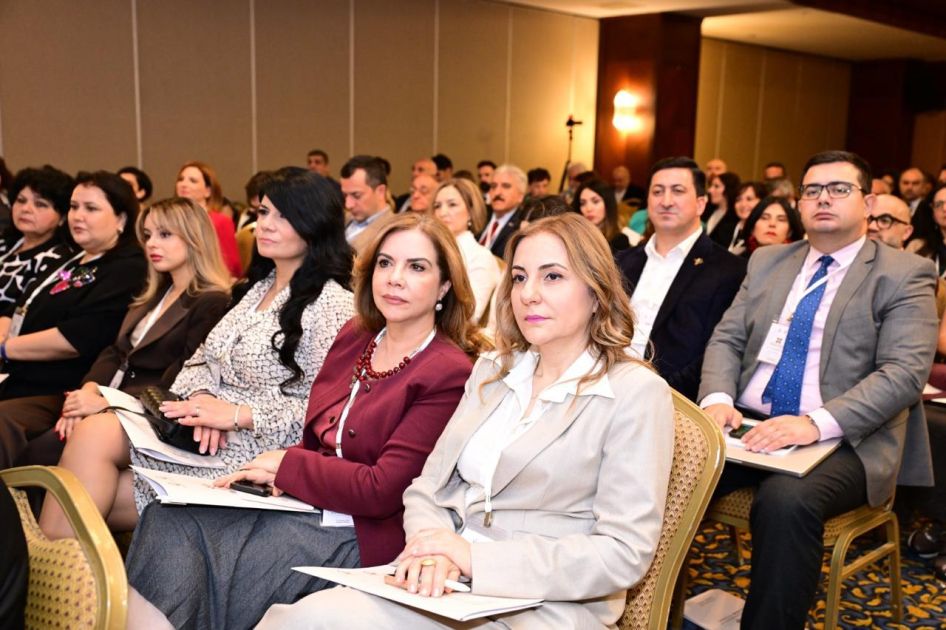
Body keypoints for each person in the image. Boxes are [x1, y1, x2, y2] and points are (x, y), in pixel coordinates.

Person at [258, 212, 675, 629]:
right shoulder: (495, 370)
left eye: (552, 277)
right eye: (519, 277)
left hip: (541, 607)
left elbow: (623, 552)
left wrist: (473, 558)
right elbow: (427, 488)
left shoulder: (633, 393)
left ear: (596, 291)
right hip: (444, 583)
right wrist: (432, 548)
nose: (529, 294)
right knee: (301, 618)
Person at [124, 212, 484, 629]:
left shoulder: (446, 371)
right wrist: (277, 475)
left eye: (416, 267)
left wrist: (288, 466)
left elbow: (382, 490)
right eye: (385, 263)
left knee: (229, 550)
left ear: (444, 286)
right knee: (168, 516)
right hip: (308, 504)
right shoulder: (357, 337)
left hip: (364, 532)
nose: (395, 279)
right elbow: (317, 439)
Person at [699, 150, 938, 629]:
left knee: (785, 502)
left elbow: (903, 373)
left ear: (868, 204)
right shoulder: (768, 261)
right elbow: (727, 337)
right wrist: (718, 399)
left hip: (847, 438)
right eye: (812, 190)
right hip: (748, 423)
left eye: (839, 189)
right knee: (667, 468)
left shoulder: (903, 273)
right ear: (799, 204)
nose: (823, 198)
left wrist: (813, 424)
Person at [29, 198, 231, 533]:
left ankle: (51, 555)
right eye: (148, 235)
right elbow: (115, 352)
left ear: (194, 237)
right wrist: (89, 391)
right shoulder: (155, 293)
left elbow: (183, 377)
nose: (152, 244)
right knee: (42, 443)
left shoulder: (211, 302)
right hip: (110, 401)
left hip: (148, 414)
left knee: (44, 449)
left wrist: (105, 403)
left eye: (165, 234)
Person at [0, 171, 147, 407]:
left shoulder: (128, 268)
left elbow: (76, 339)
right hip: (19, 376)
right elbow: (21, 305)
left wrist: (5, 348)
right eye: (74, 207)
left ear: (121, 219)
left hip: (59, 389)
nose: (78, 216)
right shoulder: (74, 257)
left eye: (91, 208)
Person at [617, 157, 745, 401]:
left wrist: (658, 395)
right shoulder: (622, 261)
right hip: (605, 387)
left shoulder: (729, 270)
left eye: (678, 191)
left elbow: (717, 351)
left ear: (700, 204)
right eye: (657, 192)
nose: (666, 201)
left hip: (672, 399)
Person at [0, 166, 76, 311]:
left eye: (40, 204)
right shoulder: (4, 244)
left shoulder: (58, 261)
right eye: (21, 200)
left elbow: (29, 312)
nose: (25, 209)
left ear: (62, 217)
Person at [175, 161, 242, 278]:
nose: (183, 184)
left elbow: (232, 266)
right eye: (181, 179)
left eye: (192, 181)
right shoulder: (171, 221)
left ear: (208, 191)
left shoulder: (220, 221)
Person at [341, 155, 395, 254]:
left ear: (380, 191)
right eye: (345, 196)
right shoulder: (342, 219)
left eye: (356, 195)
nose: (348, 205)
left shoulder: (392, 232)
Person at [479, 164, 526, 257]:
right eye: (493, 186)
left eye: (506, 186)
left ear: (520, 196)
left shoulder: (522, 229)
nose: (497, 192)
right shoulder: (480, 216)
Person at [573, 179, 631, 253]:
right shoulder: (575, 235)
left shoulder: (619, 241)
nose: (588, 208)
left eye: (595, 201)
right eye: (583, 203)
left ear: (608, 204)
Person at [738, 195, 805, 258]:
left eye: (781, 220)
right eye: (765, 218)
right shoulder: (737, 260)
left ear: (790, 232)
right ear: (752, 227)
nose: (772, 224)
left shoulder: (800, 262)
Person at [727, 181, 767, 254]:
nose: (743, 204)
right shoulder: (726, 229)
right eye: (738, 200)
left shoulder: (765, 234)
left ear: (762, 202)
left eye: (749, 199)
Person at [705, 171, 742, 247]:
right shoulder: (707, 210)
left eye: (716, 186)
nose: (710, 190)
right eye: (711, 186)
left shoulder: (735, 217)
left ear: (729, 189)